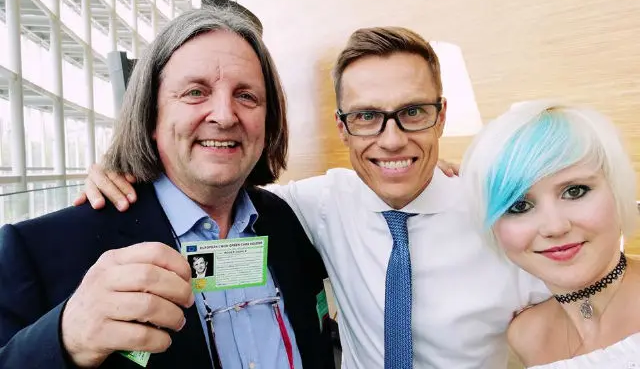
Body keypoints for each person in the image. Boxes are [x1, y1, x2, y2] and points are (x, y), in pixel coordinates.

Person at [75, 26, 549, 368]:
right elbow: (209, 251)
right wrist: (128, 170)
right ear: (342, 127)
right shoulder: (315, 207)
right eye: (367, 117)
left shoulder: (501, 219)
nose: (391, 140)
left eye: (413, 113)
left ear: (440, 116)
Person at [0, 7, 335, 369]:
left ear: (268, 122)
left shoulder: (286, 222)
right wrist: (66, 338)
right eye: (195, 92)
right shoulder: (40, 251)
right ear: (151, 116)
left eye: (247, 96)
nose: (225, 116)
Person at [461, 100, 640, 368]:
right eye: (519, 206)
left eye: (575, 191)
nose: (554, 227)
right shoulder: (526, 334)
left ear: (616, 189)